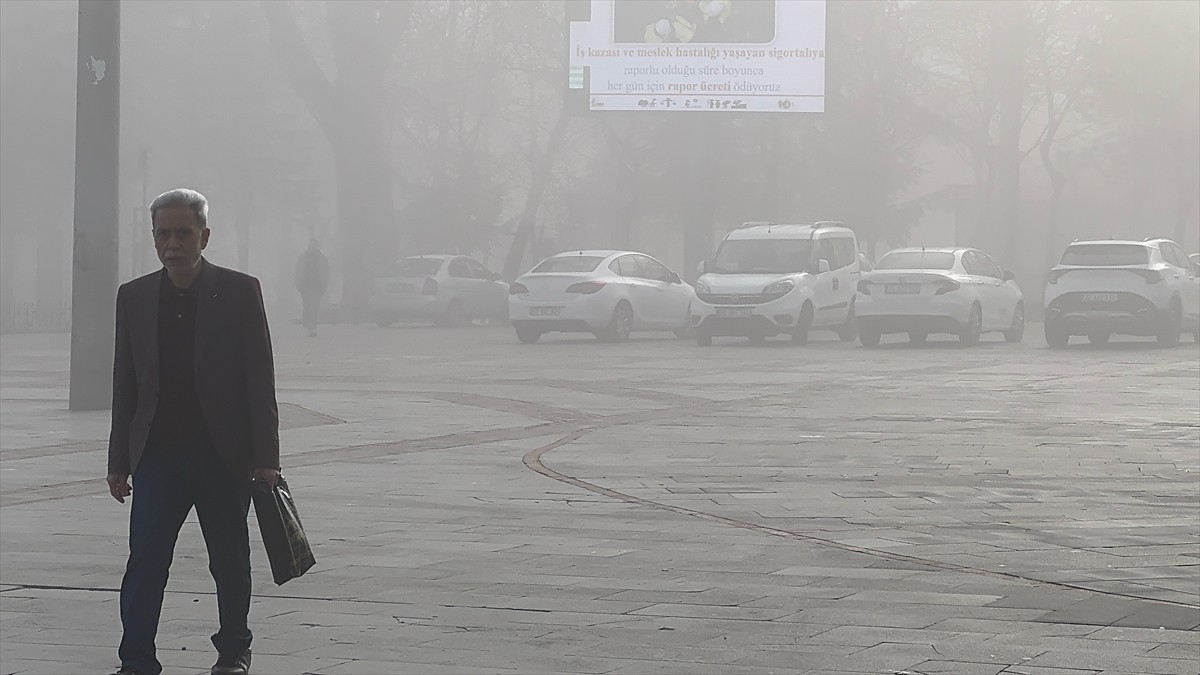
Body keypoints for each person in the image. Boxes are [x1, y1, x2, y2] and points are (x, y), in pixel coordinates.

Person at [107, 188, 280, 675]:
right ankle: (136, 659)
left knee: (229, 560)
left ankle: (233, 648)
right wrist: (118, 462)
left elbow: (258, 380)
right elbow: (125, 385)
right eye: (163, 233)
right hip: (158, 455)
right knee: (145, 563)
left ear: (204, 236)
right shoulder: (135, 296)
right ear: (154, 238)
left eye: (183, 232)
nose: (173, 242)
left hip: (222, 454)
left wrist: (267, 458)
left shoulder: (240, 291)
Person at [294, 237, 329, 337]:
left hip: (317, 286)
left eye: (313, 246)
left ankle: (311, 327)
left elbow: (326, 272)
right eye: (310, 246)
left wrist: (324, 285)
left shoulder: (322, 259)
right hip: (305, 286)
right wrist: (298, 284)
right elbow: (298, 271)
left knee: (314, 306)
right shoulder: (303, 257)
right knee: (307, 306)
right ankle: (308, 324)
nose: (311, 248)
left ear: (317, 247)